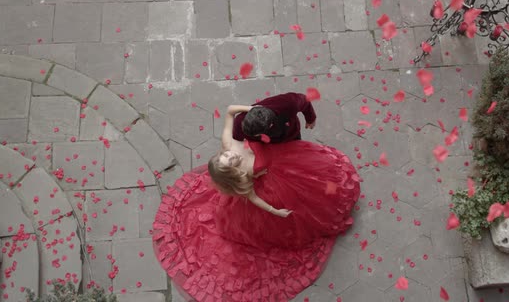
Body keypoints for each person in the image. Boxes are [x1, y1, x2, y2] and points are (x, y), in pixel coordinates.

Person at [153, 105, 360, 302]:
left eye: (225, 156)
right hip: (277, 179)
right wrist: (275, 211)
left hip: (278, 166)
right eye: (230, 160)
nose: (231, 155)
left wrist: (253, 111)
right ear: (232, 169)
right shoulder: (245, 173)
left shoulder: (229, 143)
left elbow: (230, 110)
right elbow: (254, 199)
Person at [232, 92, 316, 143]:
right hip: (264, 146)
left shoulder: (289, 103)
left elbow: (305, 101)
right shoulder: (240, 121)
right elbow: (237, 140)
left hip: (291, 134)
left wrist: (310, 118)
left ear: (270, 125)